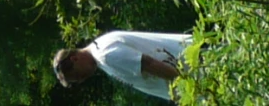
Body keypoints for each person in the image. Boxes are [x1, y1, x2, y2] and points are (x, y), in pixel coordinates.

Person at [51, 31, 190, 98]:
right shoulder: (100, 51)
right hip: (193, 70)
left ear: (74, 59)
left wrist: (189, 84)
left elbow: (148, 64)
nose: (81, 79)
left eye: (77, 75)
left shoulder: (106, 55)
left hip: (195, 68)